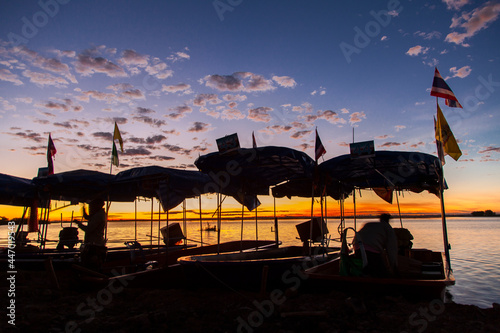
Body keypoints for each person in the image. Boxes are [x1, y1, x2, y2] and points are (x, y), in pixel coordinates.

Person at [353, 213, 398, 277]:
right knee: (383, 275)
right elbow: (391, 250)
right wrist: (394, 267)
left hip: (357, 248)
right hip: (371, 251)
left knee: (367, 269)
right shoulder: (388, 229)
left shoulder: (369, 224)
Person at [76, 198, 107, 269]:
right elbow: (88, 217)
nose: (91, 207)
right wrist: (83, 208)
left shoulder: (99, 215)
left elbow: (89, 229)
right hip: (93, 244)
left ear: (97, 205)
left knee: (92, 265)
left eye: (91, 205)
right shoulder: (98, 213)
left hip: (95, 245)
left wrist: (79, 224)